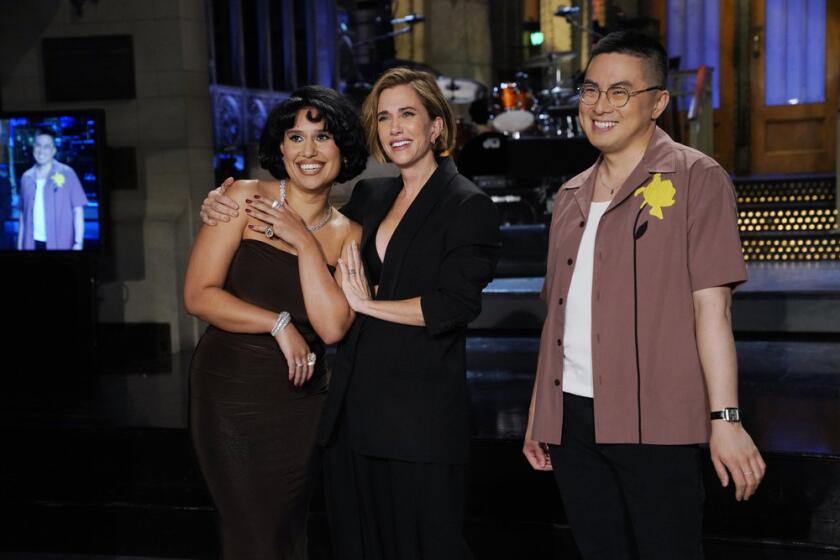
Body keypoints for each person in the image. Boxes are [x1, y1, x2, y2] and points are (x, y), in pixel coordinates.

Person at [200, 68, 501, 560]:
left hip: (418, 414)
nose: (395, 128)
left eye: (408, 115)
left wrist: (365, 303)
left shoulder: (468, 203)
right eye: (384, 117)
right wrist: (219, 200)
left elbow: (455, 305)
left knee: (429, 544)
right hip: (350, 410)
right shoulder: (372, 197)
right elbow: (310, 206)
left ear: (436, 126)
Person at [522, 31, 766, 560]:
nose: (601, 106)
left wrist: (725, 419)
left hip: (655, 421)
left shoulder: (697, 178)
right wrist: (542, 412)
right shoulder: (569, 196)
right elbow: (556, 316)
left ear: (658, 102)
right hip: (572, 421)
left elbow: (712, 309)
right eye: (591, 91)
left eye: (619, 92)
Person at [183, 85, 367, 559]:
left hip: (301, 402)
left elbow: (331, 329)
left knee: (288, 529)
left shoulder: (351, 234)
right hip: (230, 391)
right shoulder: (240, 198)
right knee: (253, 534)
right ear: (279, 148)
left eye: (322, 137)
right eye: (295, 137)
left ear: (342, 149)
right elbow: (198, 295)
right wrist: (278, 323)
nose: (308, 151)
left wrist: (304, 241)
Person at [17, 128, 88, 250]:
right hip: (31, 243)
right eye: (38, 146)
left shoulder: (67, 173)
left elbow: (78, 210)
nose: (41, 151)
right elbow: (23, 215)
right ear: (33, 148)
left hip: (61, 244)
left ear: (54, 150)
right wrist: (19, 245)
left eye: (46, 147)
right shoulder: (26, 177)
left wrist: (78, 243)